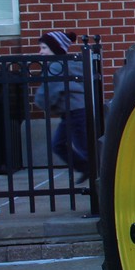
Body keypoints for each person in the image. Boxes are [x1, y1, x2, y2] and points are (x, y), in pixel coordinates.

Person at [34, 30, 90, 183]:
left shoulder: (57, 67)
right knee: (59, 145)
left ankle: (95, 173)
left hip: (76, 112)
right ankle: (87, 168)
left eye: (44, 48)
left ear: (56, 48)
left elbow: (48, 91)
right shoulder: (65, 64)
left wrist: (41, 103)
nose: (41, 52)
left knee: (82, 146)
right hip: (73, 112)